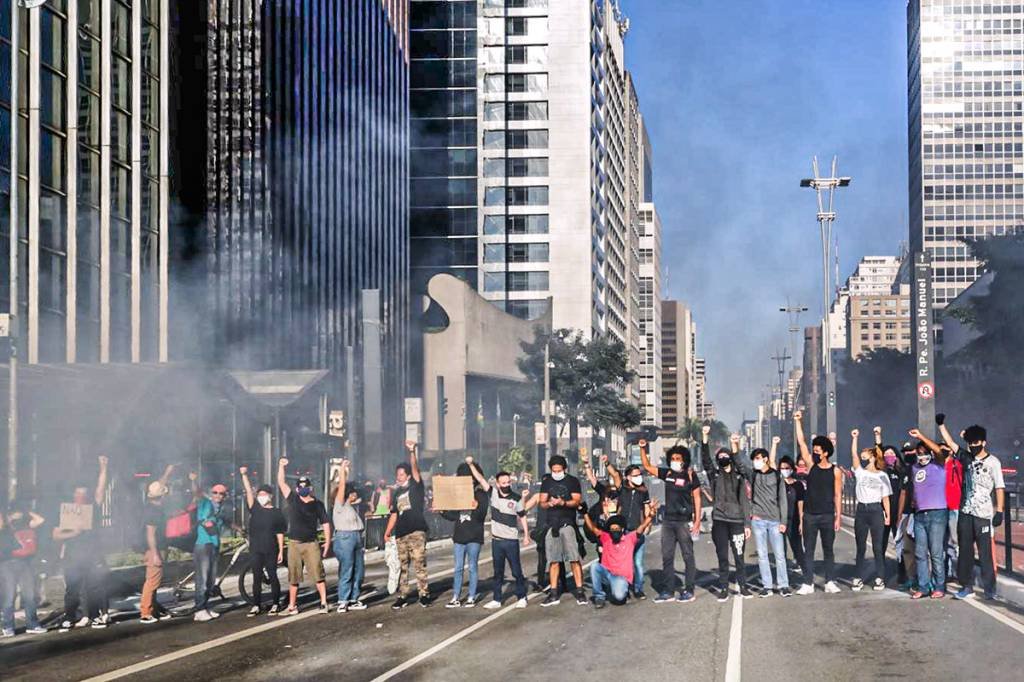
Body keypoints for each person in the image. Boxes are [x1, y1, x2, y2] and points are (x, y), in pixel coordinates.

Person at [943, 422, 1005, 601]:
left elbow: (999, 487)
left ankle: (989, 588)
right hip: (965, 514)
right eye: (970, 443)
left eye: (976, 442)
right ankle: (967, 586)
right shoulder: (966, 458)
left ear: (984, 442)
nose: (973, 446)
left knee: (985, 554)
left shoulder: (993, 462)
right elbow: (951, 443)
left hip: (983, 516)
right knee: (965, 552)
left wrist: (999, 510)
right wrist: (941, 425)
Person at [52, 455, 110, 630]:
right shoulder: (66, 512)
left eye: (84, 494)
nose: (81, 496)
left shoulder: (93, 507)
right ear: (73, 495)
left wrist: (103, 469)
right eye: (78, 493)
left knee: (94, 586)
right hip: (72, 556)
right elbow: (56, 535)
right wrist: (73, 533)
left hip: (92, 554)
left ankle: (95, 615)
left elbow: (100, 490)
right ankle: (69, 617)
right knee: (72, 590)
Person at [641, 435, 701, 603]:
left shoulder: (690, 475)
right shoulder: (666, 473)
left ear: (684, 460)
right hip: (668, 521)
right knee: (667, 556)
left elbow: (697, 498)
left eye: (678, 458)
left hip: (684, 521)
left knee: (688, 555)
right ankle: (668, 591)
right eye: (672, 458)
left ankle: (689, 590)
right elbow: (646, 466)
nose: (675, 460)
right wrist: (643, 448)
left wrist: (696, 521)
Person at [793, 410, 842, 595]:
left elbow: (837, 495)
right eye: (814, 448)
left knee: (828, 550)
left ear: (826, 452)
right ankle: (808, 583)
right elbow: (801, 442)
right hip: (810, 515)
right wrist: (798, 421)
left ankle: (830, 581)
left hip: (828, 515)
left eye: (818, 449)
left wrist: (838, 517)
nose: (814, 451)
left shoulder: (835, 471)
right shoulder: (810, 465)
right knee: (809, 551)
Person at [468, 465, 531, 609]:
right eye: (503, 483)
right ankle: (497, 599)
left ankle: (522, 596)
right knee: (498, 572)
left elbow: (522, 517)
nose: (506, 485)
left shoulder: (516, 498)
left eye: (508, 482)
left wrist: (526, 535)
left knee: (516, 571)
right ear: (497, 483)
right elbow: (480, 478)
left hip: (511, 541)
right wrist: (471, 465)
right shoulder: (493, 494)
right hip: (497, 541)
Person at [899, 427, 950, 599]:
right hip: (920, 515)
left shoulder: (939, 465)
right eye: (919, 453)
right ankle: (923, 586)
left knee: (935, 552)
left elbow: (938, 451)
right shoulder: (914, 468)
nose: (921, 456)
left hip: (937, 514)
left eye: (924, 453)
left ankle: (939, 586)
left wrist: (921, 436)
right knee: (920, 553)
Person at [277, 458, 331, 615]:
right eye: (299, 487)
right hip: (294, 543)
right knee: (294, 576)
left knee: (318, 574)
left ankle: (323, 603)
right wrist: (281, 466)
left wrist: (327, 543)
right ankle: (292, 606)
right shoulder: (293, 499)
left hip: (311, 543)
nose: (302, 489)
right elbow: (281, 482)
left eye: (305, 486)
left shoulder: (317, 504)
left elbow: (326, 523)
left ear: (310, 487)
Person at [582, 500, 659, 608]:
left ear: (622, 529)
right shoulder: (606, 538)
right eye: (612, 529)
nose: (614, 531)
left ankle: (623, 589)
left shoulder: (630, 539)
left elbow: (641, 528)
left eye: (617, 529)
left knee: (619, 597)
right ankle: (599, 596)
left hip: (621, 578)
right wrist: (584, 513)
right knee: (594, 566)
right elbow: (593, 529)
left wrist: (650, 516)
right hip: (607, 573)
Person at [704, 434, 753, 601]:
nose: (723, 458)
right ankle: (724, 588)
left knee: (739, 557)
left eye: (726, 456)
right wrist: (704, 438)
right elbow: (706, 462)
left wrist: (747, 524)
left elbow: (745, 502)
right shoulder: (715, 475)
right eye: (720, 457)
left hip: (737, 522)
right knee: (722, 557)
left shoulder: (739, 475)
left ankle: (743, 587)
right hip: (720, 521)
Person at [384, 441, 430, 610]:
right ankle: (402, 595)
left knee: (419, 564)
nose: (399, 476)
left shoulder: (416, 487)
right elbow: (394, 514)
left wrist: (412, 452)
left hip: (417, 531)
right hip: (401, 533)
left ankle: (424, 593)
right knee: (402, 567)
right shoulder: (396, 493)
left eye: (402, 474)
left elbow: (415, 469)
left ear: (409, 475)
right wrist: (388, 531)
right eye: (397, 474)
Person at [440, 459, 489, 609]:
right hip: (459, 536)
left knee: (472, 567)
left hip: (474, 535)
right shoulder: (457, 494)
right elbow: (454, 515)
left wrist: (475, 507)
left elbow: (482, 515)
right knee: (458, 567)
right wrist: (442, 511)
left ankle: (471, 596)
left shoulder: (480, 494)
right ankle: (456, 596)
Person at [538, 455, 587, 607]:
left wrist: (563, 502)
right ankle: (553, 593)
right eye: (554, 470)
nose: (556, 473)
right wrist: (550, 504)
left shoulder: (572, 481)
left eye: (559, 470)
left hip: (568, 524)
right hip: (552, 525)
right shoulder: (547, 482)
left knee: (573, 558)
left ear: (564, 469)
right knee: (553, 560)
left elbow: (577, 501)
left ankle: (580, 592)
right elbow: (542, 502)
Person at [240, 466, 286, 616]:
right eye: (259, 494)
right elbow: (248, 491)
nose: (261, 496)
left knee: (272, 576)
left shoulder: (277, 512)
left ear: (271, 496)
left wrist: (280, 550)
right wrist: (244, 475)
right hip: (256, 549)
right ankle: (256, 604)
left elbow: (280, 532)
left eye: (264, 494)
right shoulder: (255, 509)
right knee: (257, 577)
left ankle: (275, 603)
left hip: (271, 548)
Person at [849, 429, 892, 591]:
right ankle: (858, 577)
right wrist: (854, 438)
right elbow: (853, 455)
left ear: (873, 455)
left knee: (877, 547)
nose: (862, 454)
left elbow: (885, 498)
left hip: (875, 511)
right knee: (860, 547)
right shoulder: (860, 472)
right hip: (861, 510)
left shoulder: (882, 475)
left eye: (865, 452)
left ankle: (880, 578)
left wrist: (887, 514)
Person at [0, 503, 47, 637]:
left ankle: (32, 624)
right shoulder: (6, 528)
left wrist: (27, 511)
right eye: (14, 513)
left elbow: (40, 520)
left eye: (19, 513)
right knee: (9, 597)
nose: (17, 516)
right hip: (7, 564)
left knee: (30, 596)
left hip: (25, 563)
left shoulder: (26, 525)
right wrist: (8, 519)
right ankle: (8, 626)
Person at [750, 444, 790, 597]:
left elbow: (783, 500)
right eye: (754, 459)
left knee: (779, 555)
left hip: (775, 520)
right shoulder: (753, 474)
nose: (756, 461)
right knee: (762, 555)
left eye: (758, 458)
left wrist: (783, 522)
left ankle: (783, 585)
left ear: (766, 459)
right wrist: (735, 444)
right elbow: (739, 462)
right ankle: (767, 586)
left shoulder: (777, 475)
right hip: (758, 520)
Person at [331, 459, 367, 613]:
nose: (354, 494)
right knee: (347, 569)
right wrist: (343, 469)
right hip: (345, 538)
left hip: (355, 538)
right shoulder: (340, 505)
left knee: (358, 570)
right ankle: (343, 600)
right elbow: (342, 487)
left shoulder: (351, 508)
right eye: (352, 492)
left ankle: (353, 598)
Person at [192, 474, 230, 621]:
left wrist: (238, 528)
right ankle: (199, 609)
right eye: (215, 492)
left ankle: (205, 606)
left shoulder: (219, 509)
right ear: (211, 493)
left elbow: (225, 521)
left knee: (210, 580)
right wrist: (193, 480)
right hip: (203, 545)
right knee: (202, 579)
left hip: (214, 545)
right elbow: (197, 494)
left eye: (221, 493)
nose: (218, 495)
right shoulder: (205, 503)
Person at [140, 475, 172, 624]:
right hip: (155, 550)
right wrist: (155, 554)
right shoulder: (153, 511)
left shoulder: (153, 508)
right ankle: (146, 612)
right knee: (152, 581)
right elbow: (150, 534)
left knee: (154, 580)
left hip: (158, 548)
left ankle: (154, 609)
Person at [777, 454, 805, 573]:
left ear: (792, 468)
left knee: (797, 547)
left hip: (794, 520)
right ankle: (782, 574)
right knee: (780, 548)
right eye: (782, 468)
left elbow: (800, 503)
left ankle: (805, 571)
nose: (785, 470)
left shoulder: (798, 485)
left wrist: (801, 521)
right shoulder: (777, 484)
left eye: (787, 468)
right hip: (779, 520)